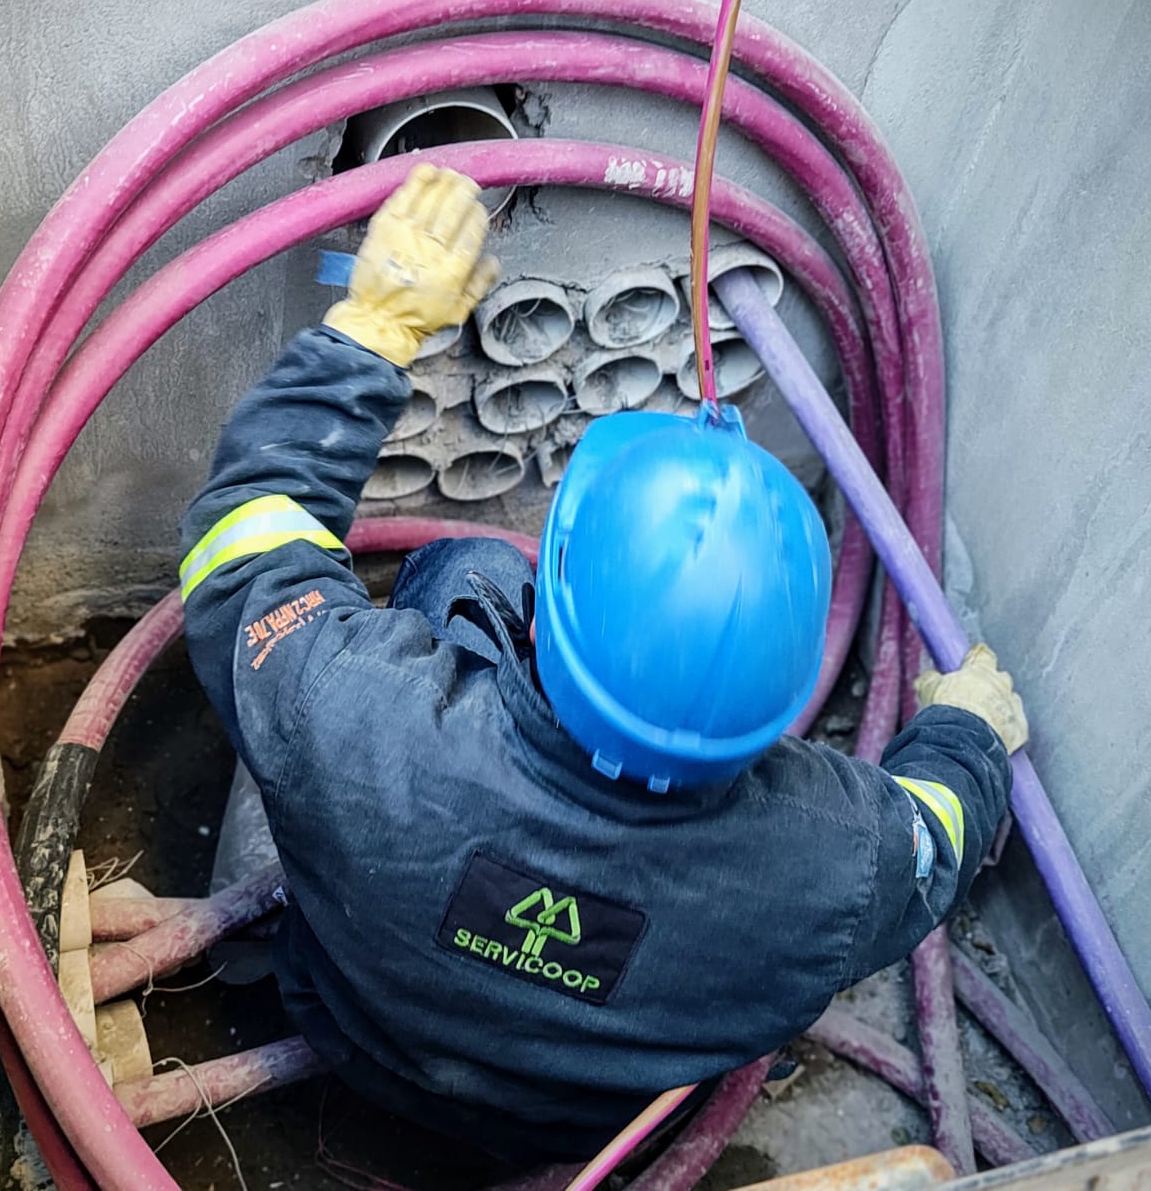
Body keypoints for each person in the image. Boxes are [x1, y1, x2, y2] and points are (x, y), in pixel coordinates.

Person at [179, 164, 1026, 1162]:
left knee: (470, 570)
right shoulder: (837, 862)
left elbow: (245, 542)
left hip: (358, 1041)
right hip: (583, 1125)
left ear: (551, 617)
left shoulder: (357, 716)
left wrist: (378, 326)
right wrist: (970, 731)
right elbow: (938, 835)